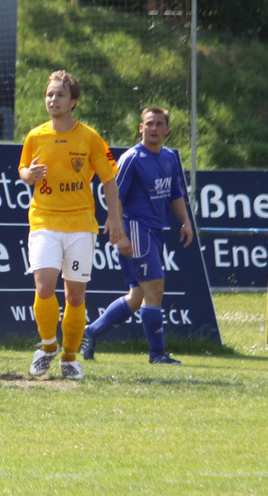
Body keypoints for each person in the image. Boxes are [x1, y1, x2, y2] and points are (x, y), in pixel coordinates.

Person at [18, 70, 127, 380]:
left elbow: (109, 178)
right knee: (44, 287)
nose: (54, 100)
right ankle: (49, 346)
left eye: (61, 95)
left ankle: (69, 356)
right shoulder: (35, 135)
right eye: (50, 94)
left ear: (74, 101)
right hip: (44, 220)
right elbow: (23, 169)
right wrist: (29, 176)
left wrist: (114, 217)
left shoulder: (90, 137)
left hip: (80, 224)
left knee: (75, 296)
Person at [80, 107, 194, 365]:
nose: (153, 128)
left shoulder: (169, 158)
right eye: (149, 124)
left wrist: (185, 222)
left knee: (137, 296)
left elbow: (175, 194)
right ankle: (157, 355)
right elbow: (115, 195)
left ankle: (92, 332)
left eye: (159, 124)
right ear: (141, 128)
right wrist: (119, 232)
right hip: (136, 229)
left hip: (155, 231)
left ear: (166, 129)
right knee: (155, 288)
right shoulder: (132, 158)